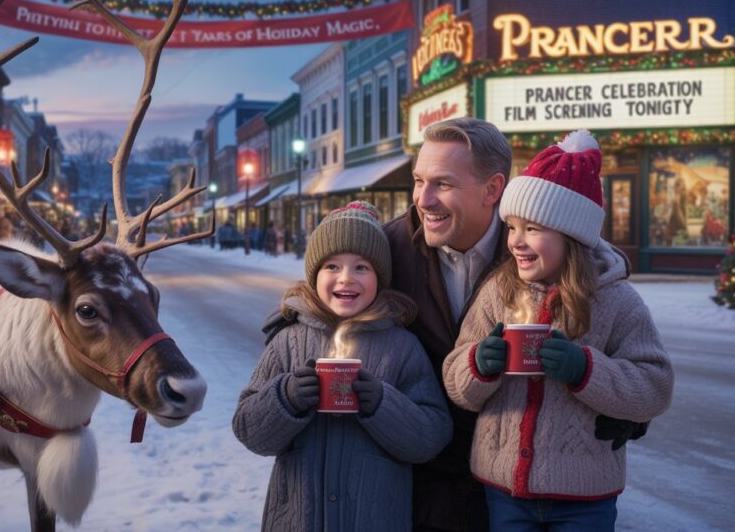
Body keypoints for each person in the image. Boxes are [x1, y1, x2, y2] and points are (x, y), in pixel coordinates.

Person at [381, 117, 647, 532]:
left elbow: (609, 304)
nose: (423, 199)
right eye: (419, 181)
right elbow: (323, 302)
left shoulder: (539, 249)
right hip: (425, 475)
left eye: (443, 184)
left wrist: (621, 402)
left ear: (492, 190)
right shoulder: (389, 248)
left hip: (519, 482)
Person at [442, 130, 674, 531]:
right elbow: (454, 379)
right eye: (511, 227)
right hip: (504, 491)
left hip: (585, 496)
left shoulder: (615, 300)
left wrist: (586, 370)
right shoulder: (499, 291)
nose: (516, 241)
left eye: (532, 229)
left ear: (572, 236)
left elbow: (654, 386)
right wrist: (479, 364)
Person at [234, 201, 453, 532]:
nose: (346, 278)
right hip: (298, 521)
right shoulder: (288, 341)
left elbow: (431, 436)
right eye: (332, 266)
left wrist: (382, 403)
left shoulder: (402, 346)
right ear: (314, 274)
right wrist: (287, 398)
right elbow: (249, 431)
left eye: (362, 267)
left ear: (380, 276)